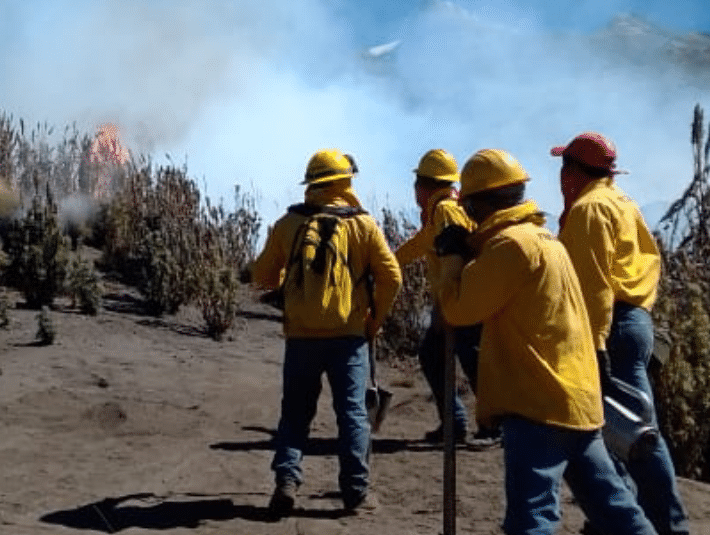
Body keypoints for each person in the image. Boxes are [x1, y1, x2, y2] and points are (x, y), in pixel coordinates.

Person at [430, 148, 656, 535]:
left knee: (531, 518)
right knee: (617, 514)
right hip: (576, 400)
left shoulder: (510, 247)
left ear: (476, 202)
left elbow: (457, 310)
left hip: (537, 403)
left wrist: (451, 257)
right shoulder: (543, 240)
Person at [250, 149, 402, 517]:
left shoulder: (289, 223)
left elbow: (261, 277)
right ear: (344, 181)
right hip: (348, 337)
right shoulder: (362, 224)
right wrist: (374, 320)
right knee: (351, 413)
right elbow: (392, 277)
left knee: (295, 413)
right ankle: (355, 493)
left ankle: (286, 481)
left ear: (312, 184)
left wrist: (289, 285)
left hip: (301, 337)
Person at [551, 133, 689, 535]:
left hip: (609, 325)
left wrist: (594, 346)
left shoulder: (590, 210)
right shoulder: (621, 201)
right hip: (634, 320)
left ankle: (664, 525)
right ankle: (631, 517)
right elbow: (651, 260)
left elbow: (594, 287)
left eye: (564, 166)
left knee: (635, 434)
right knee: (628, 427)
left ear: (574, 170)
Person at [393, 149, 491, 444]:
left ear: (423, 185)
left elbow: (456, 256)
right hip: (459, 300)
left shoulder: (445, 211)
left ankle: (492, 424)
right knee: (436, 357)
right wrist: (386, 263)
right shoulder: (446, 208)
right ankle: (455, 423)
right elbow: (421, 244)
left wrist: (448, 304)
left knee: (472, 362)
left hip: (461, 301)